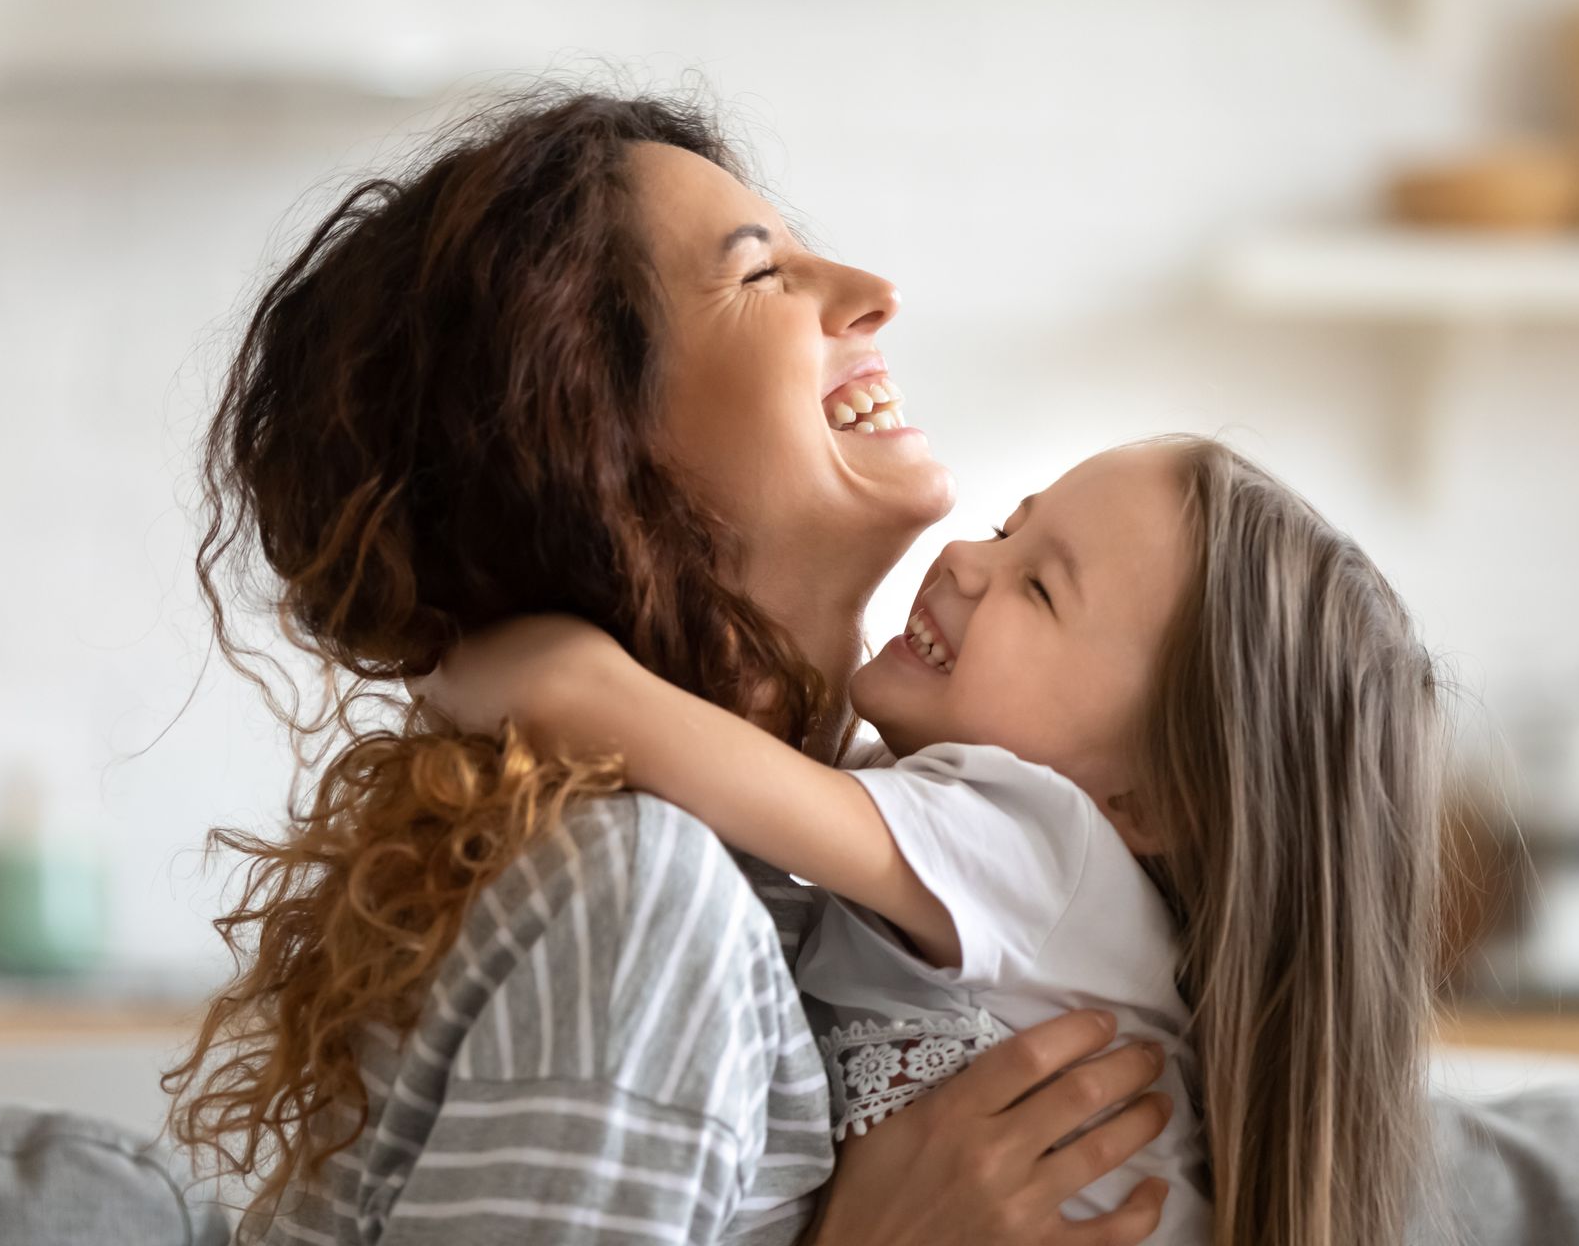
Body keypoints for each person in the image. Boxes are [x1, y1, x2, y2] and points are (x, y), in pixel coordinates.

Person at [162, 89, 1174, 1245]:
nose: (873, 292)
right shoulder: (643, 898)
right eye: (759, 275)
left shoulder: (827, 882)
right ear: (597, 446)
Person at [417, 436, 1443, 1246]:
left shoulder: (1041, 842)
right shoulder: (986, 863)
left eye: (1040, 588)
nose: (964, 555)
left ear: (1151, 800)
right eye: (1008, 526)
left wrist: (441, 643)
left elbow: (578, 700)